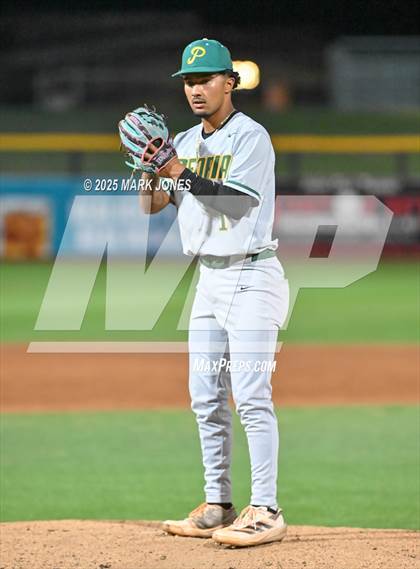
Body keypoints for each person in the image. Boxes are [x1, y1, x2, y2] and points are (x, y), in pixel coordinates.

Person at [124, 38, 290, 548]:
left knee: (252, 397)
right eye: (189, 82)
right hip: (208, 281)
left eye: (205, 80)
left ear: (230, 83)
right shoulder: (183, 141)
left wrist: (176, 169)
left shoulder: (250, 137)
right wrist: (149, 171)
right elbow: (153, 206)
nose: (196, 89)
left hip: (252, 276)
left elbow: (236, 204)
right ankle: (218, 503)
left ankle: (267, 510)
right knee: (205, 398)